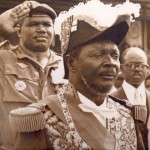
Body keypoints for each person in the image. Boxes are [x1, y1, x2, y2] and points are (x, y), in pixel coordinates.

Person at [9, 0, 142, 149]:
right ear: (71, 63)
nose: (110, 62)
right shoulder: (41, 119)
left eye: (115, 56)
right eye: (98, 55)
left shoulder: (129, 114)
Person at [0, 1, 64, 149]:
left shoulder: (67, 65)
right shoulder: (4, 59)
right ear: (18, 32)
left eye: (47, 25)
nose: (41, 29)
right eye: (33, 24)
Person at [112, 47, 150, 150]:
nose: (137, 69)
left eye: (142, 66)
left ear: (147, 69)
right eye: (131, 65)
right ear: (121, 68)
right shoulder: (110, 100)